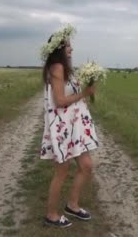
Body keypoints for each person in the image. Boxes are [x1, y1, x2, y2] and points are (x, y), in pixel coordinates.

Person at [40, 24, 98, 228]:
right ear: (59, 49)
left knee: (87, 166)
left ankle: (72, 205)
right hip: (63, 128)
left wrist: (88, 86)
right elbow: (60, 101)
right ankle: (51, 215)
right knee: (62, 172)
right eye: (68, 46)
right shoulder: (57, 67)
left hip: (75, 128)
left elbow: (73, 94)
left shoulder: (66, 68)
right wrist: (84, 94)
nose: (71, 49)